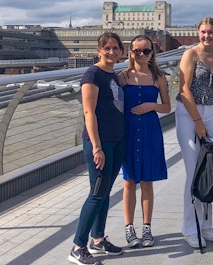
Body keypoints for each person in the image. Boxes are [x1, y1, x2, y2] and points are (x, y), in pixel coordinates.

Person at [69, 32, 126, 265]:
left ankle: (98, 239)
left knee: (105, 192)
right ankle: (77, 246)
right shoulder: (93, 74)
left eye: (115, 48)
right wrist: (96, 148)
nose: (111, 52)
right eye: (107, 48)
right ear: (99, 50)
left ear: (121, 51)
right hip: (99, 143)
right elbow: (88, 112)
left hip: (117, 140)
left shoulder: (114, 75)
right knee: (97, 193)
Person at [176, 17, 213, 249]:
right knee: (193, 170)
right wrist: (197, 120)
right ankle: (190, 227)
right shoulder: (190, 55)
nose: (207, 36)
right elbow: (183, 89)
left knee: (210, 168)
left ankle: (206, 224)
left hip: (210, 113)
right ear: (198, 33)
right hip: (189, 112)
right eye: (203, 32)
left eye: (211, 32)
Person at [118, 35, 171, 248]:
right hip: (128, 131)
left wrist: (151, 106)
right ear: (130, 52)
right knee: (129, 181)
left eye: (146, 51)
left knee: (147, 180)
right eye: (137, 51)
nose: (141, 54)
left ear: (152, 53)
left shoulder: (159, 77)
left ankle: (147, 227)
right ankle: (129, 228)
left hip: (149, 130)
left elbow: (167, 107)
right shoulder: (122, 77)